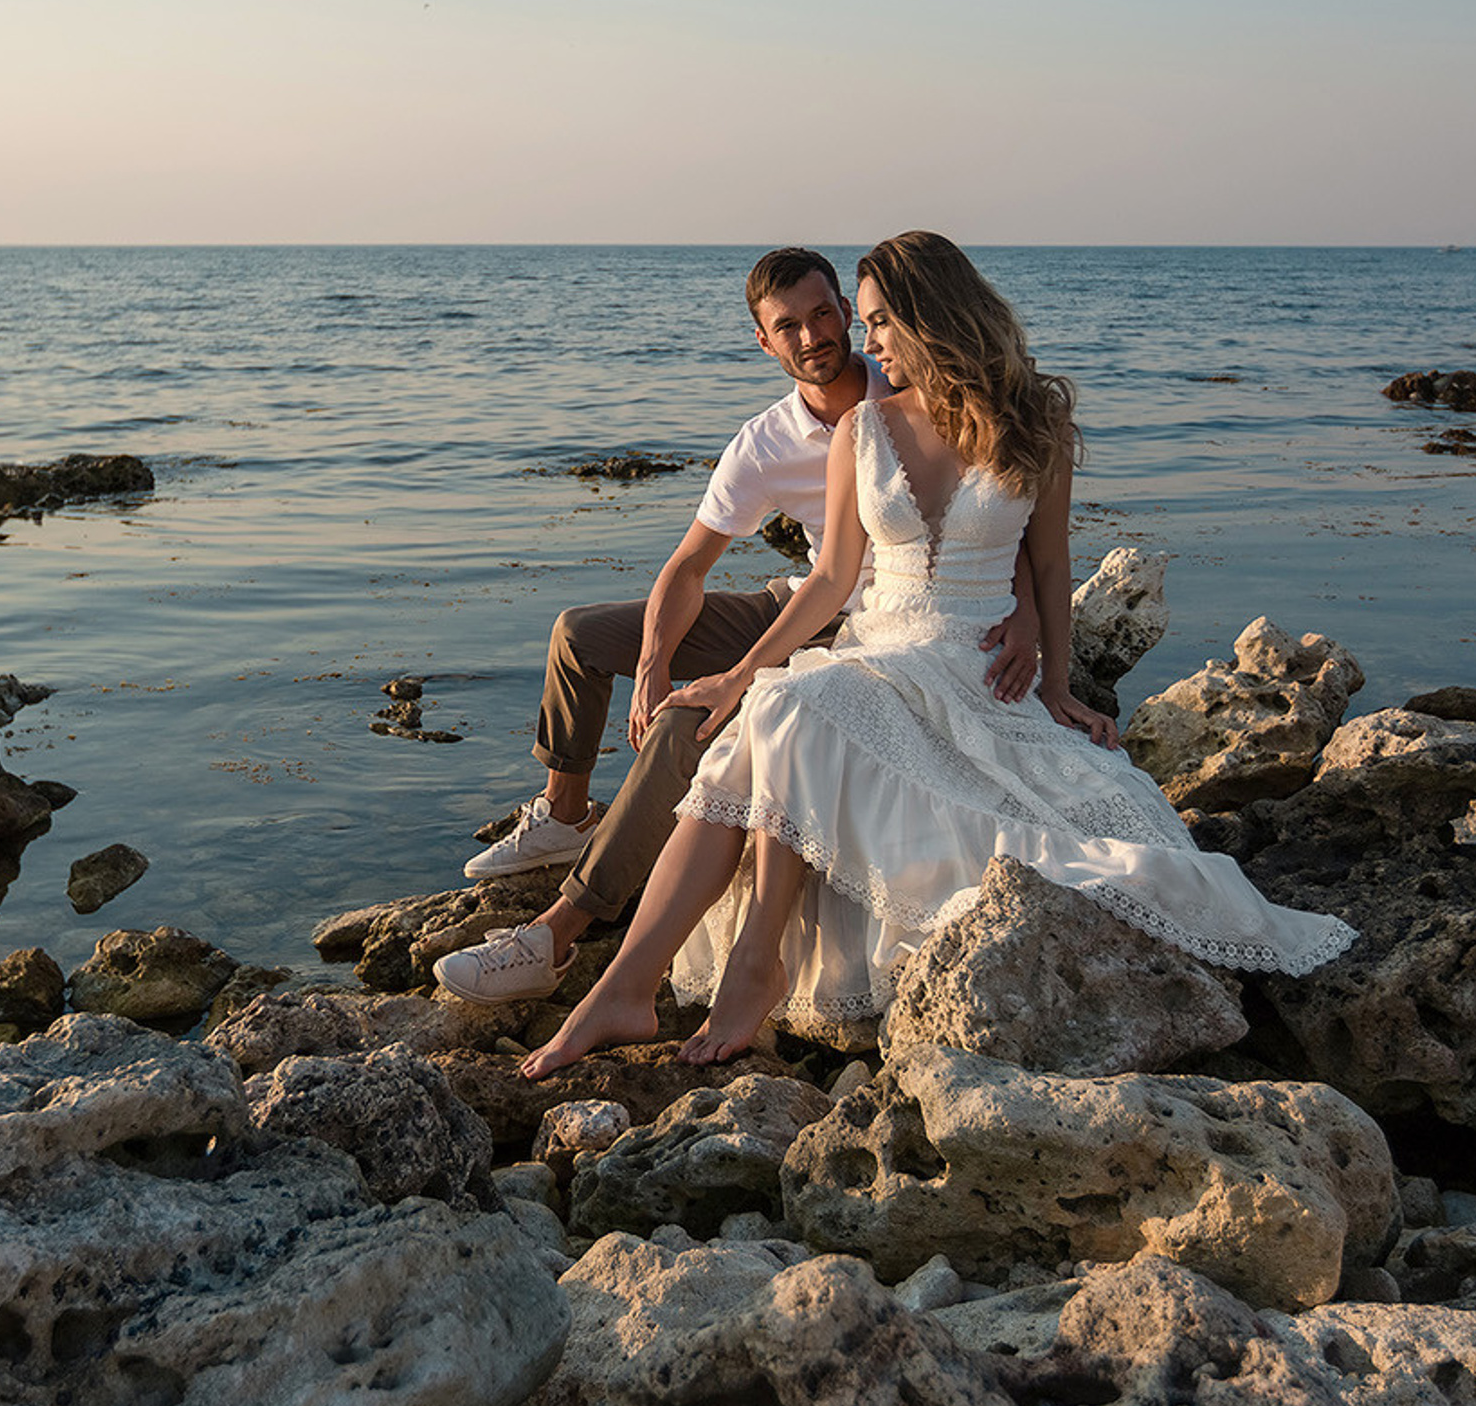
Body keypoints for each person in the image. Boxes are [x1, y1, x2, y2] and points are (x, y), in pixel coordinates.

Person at [520, 232, 1356, 1079]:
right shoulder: (861, 429)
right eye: (866, 322)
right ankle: (627, 986)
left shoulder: (1040, 422)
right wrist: (740, 674)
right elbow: (831, 579)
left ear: (932, 317)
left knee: (785, 717)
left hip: (975, 660)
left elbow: (1051, 563)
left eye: (878, 322)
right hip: (875, 642)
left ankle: (738, 969)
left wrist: (1058, 685)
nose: (867, 343)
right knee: (777, 706)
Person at [434, 246, 1041, 1006]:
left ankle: (559, 934)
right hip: (802, 605)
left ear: (849, 315)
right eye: (788, 326)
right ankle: (564, 815)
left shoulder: (909, 379)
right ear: (764, 341)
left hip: (876, 631)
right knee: (581, 635)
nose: (812, 335)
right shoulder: (765, 443)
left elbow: (994, 509)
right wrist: (654, 664)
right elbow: (690, 568)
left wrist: (1026, 614)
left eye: (825, 315)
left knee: (685, 731)